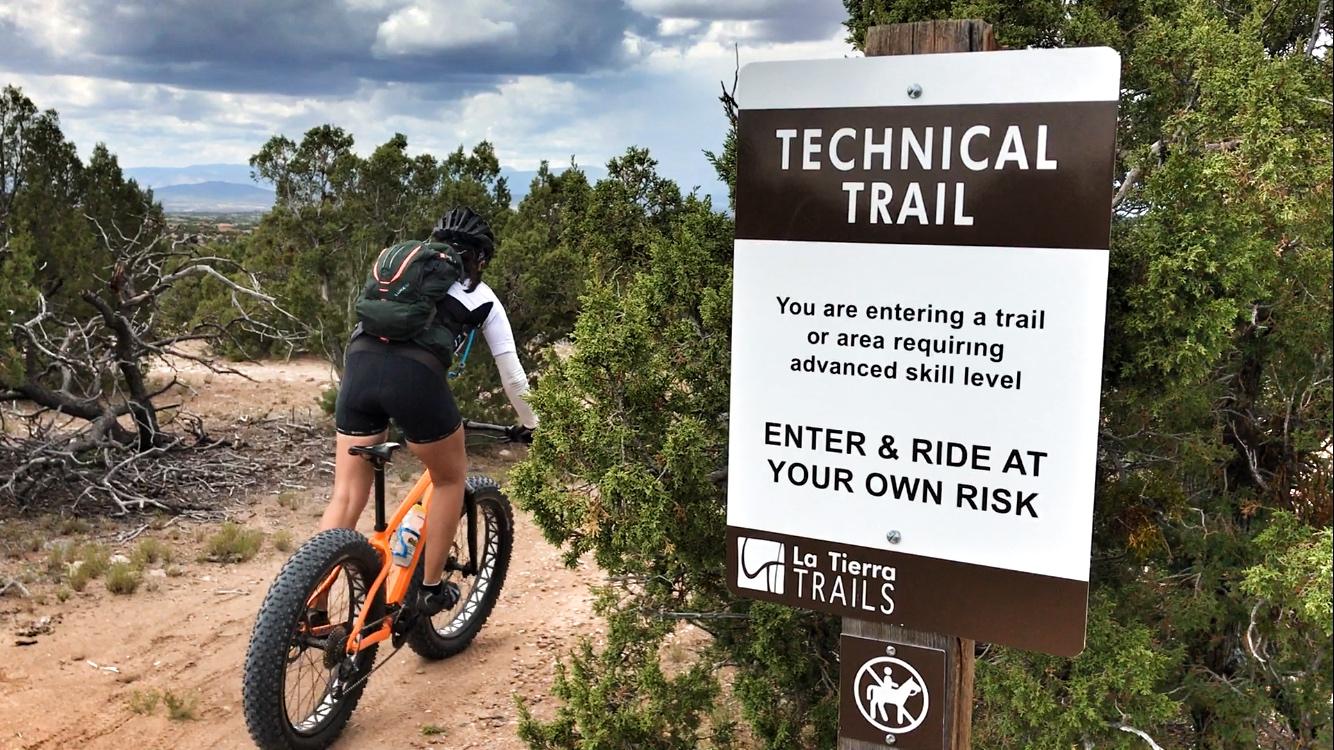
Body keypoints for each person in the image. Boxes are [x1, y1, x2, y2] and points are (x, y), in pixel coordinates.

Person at [319, 207, 537, 617]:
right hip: (415, 380)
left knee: (346, 494)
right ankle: (431, 589)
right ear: (481, 257)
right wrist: (533, 425)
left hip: (360, 367)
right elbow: (514, 379)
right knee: (450, 477)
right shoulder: (482, 295)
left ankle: (309, 602)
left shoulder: (402, 277)